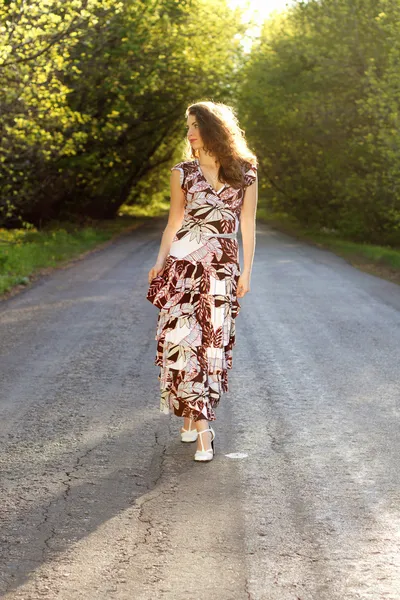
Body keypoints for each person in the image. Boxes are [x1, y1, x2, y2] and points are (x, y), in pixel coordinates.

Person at [146, 100, 258, 462]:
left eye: (196, 125)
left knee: (210, 348)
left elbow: (248, 226)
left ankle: (193, 416)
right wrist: (159, 262)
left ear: (214, 129)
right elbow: (173, 224)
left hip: (222, 270)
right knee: (184, 344)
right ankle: (203, 430)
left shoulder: (246, 172)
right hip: (182, 270)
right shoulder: (182, 173)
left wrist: (247, 271)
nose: (190, 133)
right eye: (188, 126)